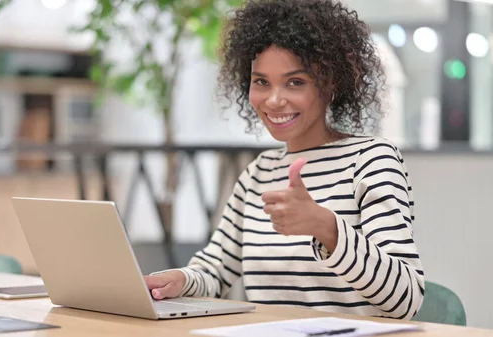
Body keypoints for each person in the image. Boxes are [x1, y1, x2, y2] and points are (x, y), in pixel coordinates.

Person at [144, 0, 424, 320]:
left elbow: (405, 299)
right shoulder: (259, 173)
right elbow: (216, 269)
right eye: (262, 81)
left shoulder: (371, 161)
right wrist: (178, 281)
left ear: (330, 83)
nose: (274, 100)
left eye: (295, 82)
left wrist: (327, 228)